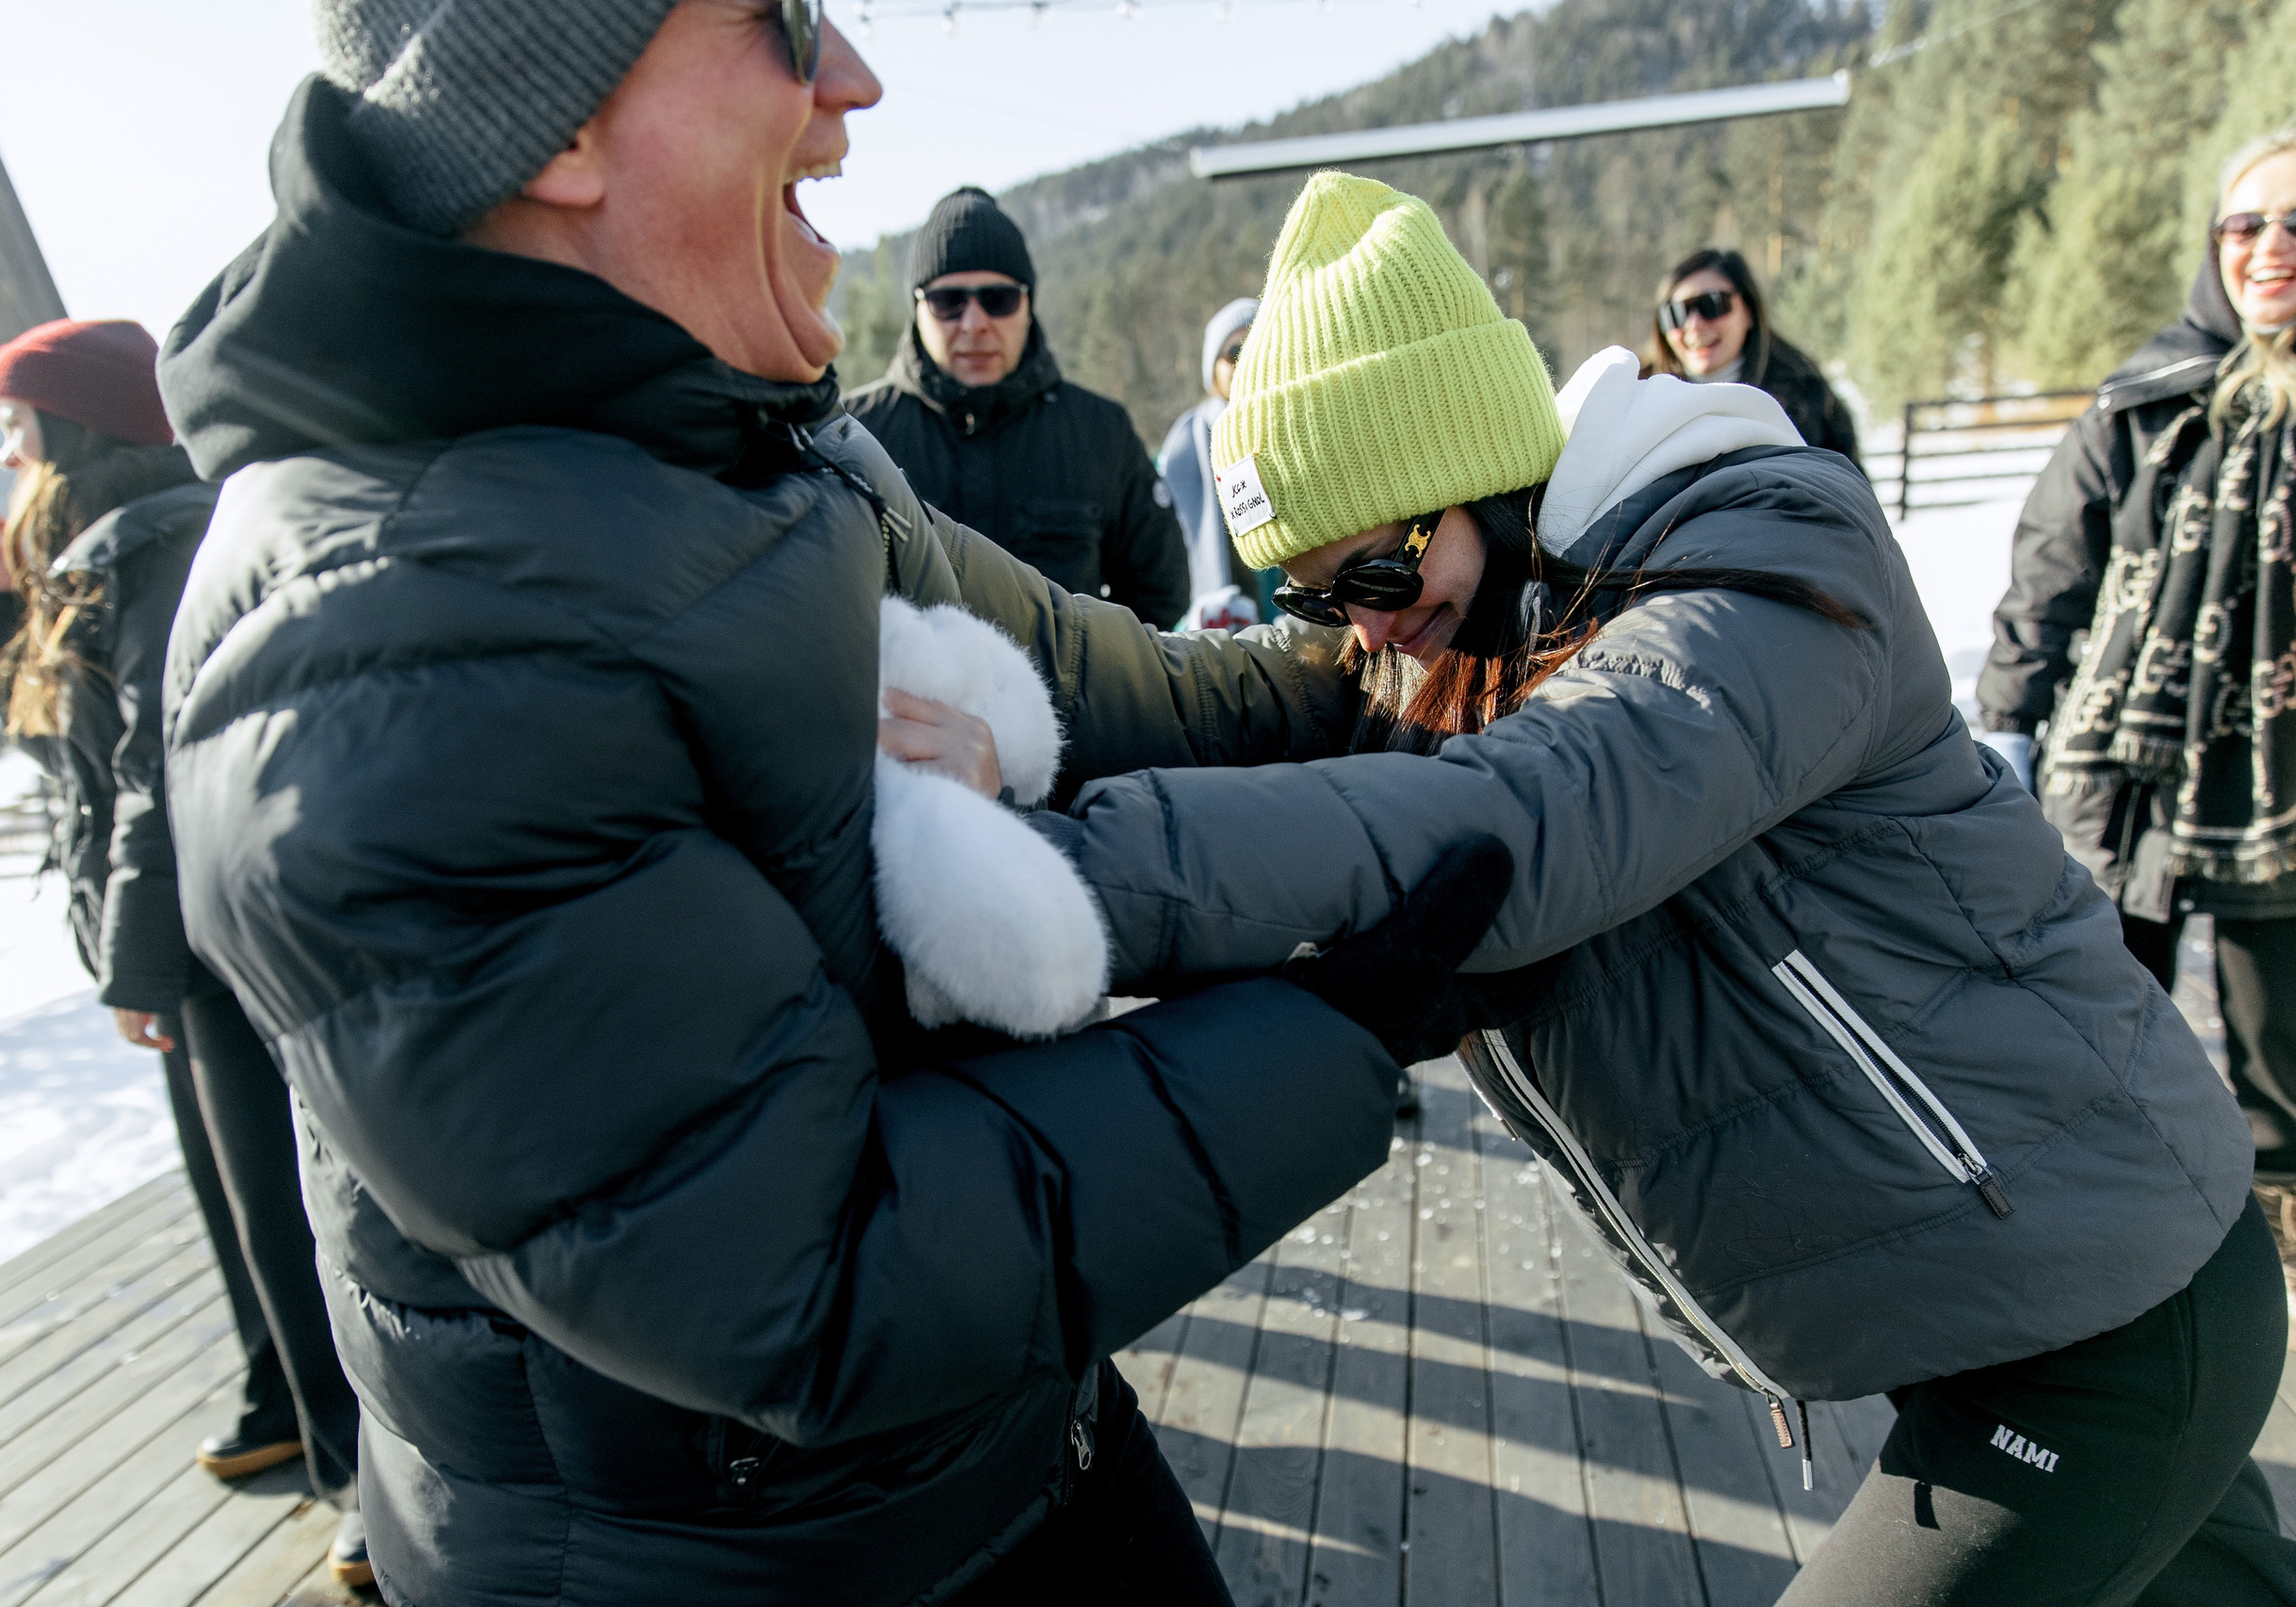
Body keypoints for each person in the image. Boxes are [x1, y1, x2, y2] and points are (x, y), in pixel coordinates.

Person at [155, 6, 1490, 1602]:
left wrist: (1375, 658)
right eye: (782, 15)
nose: (852, 74)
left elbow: (1096, 673)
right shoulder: (374, 648)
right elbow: (804, 1285)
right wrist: (1332, 1029)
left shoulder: (776, 456)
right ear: (556, 127)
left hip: (1007, 1439)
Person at [1026, 171, 2296, 1604]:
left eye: (1384, 563)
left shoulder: (1755, 565)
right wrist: (899, 621)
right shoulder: (1472, 635)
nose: (1364, 623)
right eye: (1313, 593)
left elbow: (1540, 814)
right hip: (2017, 1302)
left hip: (2107, 1318)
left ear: (1477, 466)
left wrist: (1035, 886)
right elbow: (1214, 700)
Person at [1978, 125, 2296, 1366]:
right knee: (2102, 1008)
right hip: (2133, 778)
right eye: (2243, 224)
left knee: (2293, 1031)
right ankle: (2106, 1228)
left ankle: (2287, 1234)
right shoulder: (2151, 384)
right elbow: (2054, 563)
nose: (2267, 248)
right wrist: (2010, 714)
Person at [0, 318, 369, 1586]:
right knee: (231, 1195)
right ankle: (283, 1397)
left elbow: (152, 777)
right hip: (173, 935)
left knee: (282, 1206)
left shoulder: (157, 552)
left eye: (20, 423)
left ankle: (359, 1474)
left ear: (78, 428)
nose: (7, 448)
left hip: (215, 942)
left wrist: (138, 964)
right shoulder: (96, 551)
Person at [844, 187, 1190, 626]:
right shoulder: (855, 434)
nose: (974, 324)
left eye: (998, 299)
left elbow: (1160, 590)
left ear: (1028, 304)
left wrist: (1089, 681)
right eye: (948, 302)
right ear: (917, 308)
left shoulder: (1100, 432)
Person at [1640, 247, 1861, 467]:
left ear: (1748, 312)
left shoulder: (1806, 398)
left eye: (1712, 304)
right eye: (1675, 314)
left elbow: (1848, 493)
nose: (1694, 326)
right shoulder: (1638, 400)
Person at [1159, 297, 1274, 628]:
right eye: (1235, 352)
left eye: (1259, 343)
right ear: (1213, 370)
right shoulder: (1187, 443)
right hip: (1227, 628)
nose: (1247, 359)